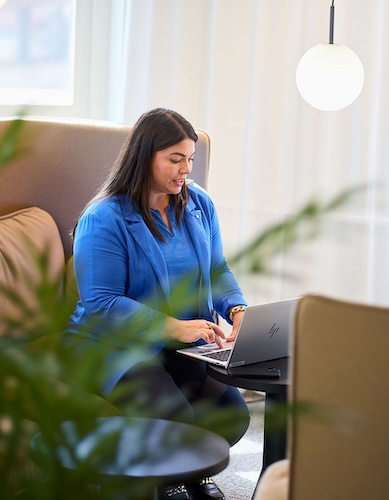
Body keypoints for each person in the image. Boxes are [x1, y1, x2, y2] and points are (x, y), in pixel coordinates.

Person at [63, 108, 250, 500]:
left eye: (191, 159)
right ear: (145, 156)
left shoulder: (198, 203)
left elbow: (217, 269)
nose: (187, 170)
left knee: (232, 415)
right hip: (110, 345)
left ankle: (189, 472)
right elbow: (101, 303)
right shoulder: (104, 218)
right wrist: (174, 326)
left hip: (180, 344)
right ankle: (170, 481)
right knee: (173, 415)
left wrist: (236, 309)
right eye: (176, 159)